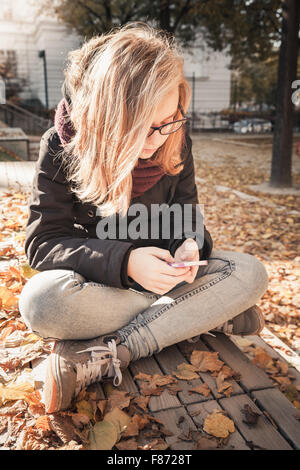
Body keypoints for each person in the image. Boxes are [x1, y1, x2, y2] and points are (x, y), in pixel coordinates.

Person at [18, 23, 269, 414]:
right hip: (101, 288)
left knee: (251, 272)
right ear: (104, 120)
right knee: (41, 302)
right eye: (141, 129)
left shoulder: (175, 139)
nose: (155, 141)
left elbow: (188, 220)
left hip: (165, 282)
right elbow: (43, 242)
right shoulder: (60, 145)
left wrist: (189, 246)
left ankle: (114, 351)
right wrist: (127, 261)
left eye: (168, 121)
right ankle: (199, 314)